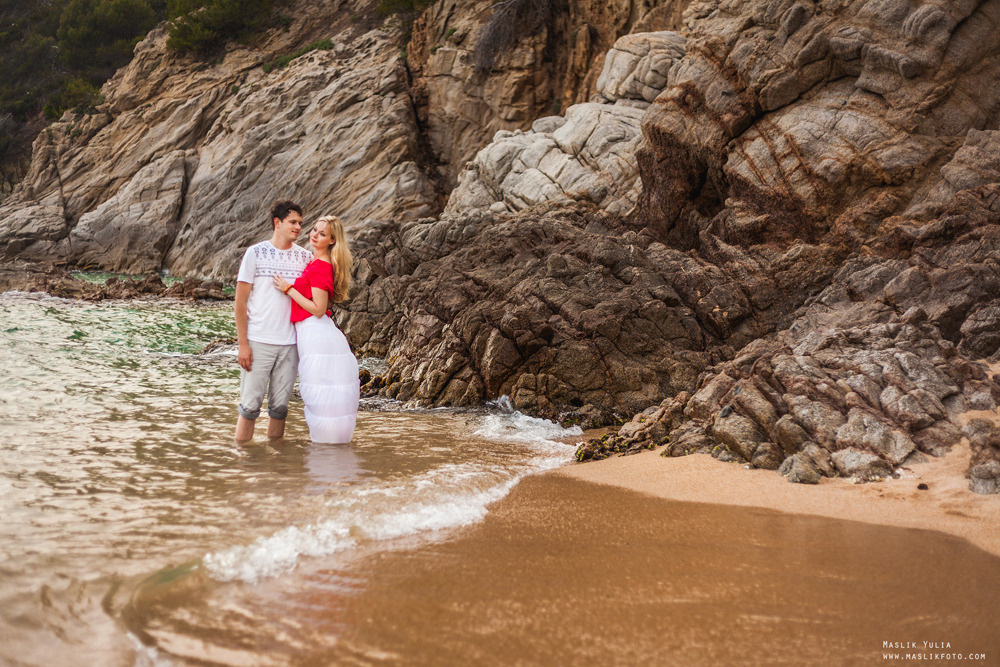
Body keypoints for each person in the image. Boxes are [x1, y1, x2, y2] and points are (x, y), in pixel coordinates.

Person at [272, 215, 360, 444]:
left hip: (316, 334)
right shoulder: (314, 261)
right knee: (320, 397)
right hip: (312, 334)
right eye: (314, 230)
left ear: (332, 240)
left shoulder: (321, 266)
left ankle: (327, 454)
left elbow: (319, 309)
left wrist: (288, 289)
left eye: (322, 234)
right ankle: (329, 457)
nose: (314, 235)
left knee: (320, 396)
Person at [234, 200, 313, 443]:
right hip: (259, 341)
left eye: (300, 222)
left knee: (280, 409)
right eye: (293, 222)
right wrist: (243, 344)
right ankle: (242, 465)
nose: (298, 227)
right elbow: (240, 302)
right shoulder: (255, 253)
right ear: (277, 223)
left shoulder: (306, 258)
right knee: (249, 407)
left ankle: (275, 465)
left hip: (291, 344)